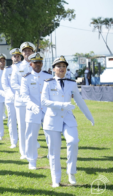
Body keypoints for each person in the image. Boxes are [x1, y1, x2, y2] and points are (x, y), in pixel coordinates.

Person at [41, 56, 94, 187]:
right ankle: (56, 179)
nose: (62, 68)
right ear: (53, 69)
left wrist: (89, 116)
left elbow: (79, 101)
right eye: (59, 66)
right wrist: (62, 105)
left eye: (64, 66)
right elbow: (44, 101)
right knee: (54, 151)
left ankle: (71, 172)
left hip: (68, 119)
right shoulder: (48, 82)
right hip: (52, 119)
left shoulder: (71, 83)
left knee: (73, 141)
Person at [20, 52, 52, 170]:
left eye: (39, 62)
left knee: (51, 134)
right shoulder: (26, 78)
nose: (38, 64)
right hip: (32, 110)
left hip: (47, 109)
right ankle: (32, 160)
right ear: (31, 64)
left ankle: (51, 155)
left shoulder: (48, 76)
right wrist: (32, 105)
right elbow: (24, 95)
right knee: (31, 136)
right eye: (35, 63)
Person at [11, 42, 35, 159]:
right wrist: (24, 91)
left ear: (33, 52)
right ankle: (24, 152)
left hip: (34, 101)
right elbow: (13, 83)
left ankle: (32, 149)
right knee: (22, 126)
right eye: (25, 51)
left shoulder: (36, 65)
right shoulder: (16, 67)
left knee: (33, 126)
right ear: (22, 53)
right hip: (20, 101)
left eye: (29, 51)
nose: (27, 53)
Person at [2, 48, 21, 148]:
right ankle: (14, 141)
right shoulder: (7, 69)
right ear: (12, 58)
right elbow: (5, 84)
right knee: (12, 120)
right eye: (15, 56)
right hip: (10, 99)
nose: (16, 58)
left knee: (24, 121)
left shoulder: (24, 68)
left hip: (22, 98)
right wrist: (11, 95)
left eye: (18, 56)